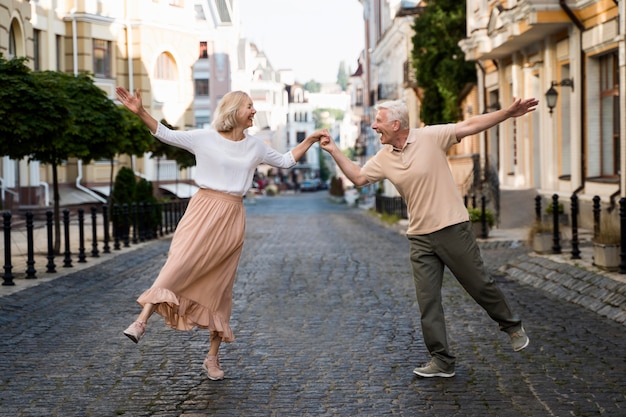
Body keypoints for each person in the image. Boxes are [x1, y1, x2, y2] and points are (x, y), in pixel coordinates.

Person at [116, 86, 329, 381]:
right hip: (202, 208)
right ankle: (141, 321)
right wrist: (140, 112)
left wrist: (310, 140)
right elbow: (166, 134)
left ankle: (212, 358)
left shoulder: (255, 146)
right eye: (250, 107)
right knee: (179, 263)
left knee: (220, 286)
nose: (254, 111)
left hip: (232, 215)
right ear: (234, 111)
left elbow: (285, 160)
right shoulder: (204, 138)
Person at [320, 97, 539, 378]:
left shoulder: (431, 137)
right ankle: (442, 361)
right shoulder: (385, 157)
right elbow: (360, 178)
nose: (374, 126)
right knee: (428, 302)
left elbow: (470, 124)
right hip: (420, 237)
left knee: (479, 284)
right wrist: (334, 150)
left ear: (396, 124)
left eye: (379, 121)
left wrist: (508, 112)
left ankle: (511, 326)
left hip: (452, 228)